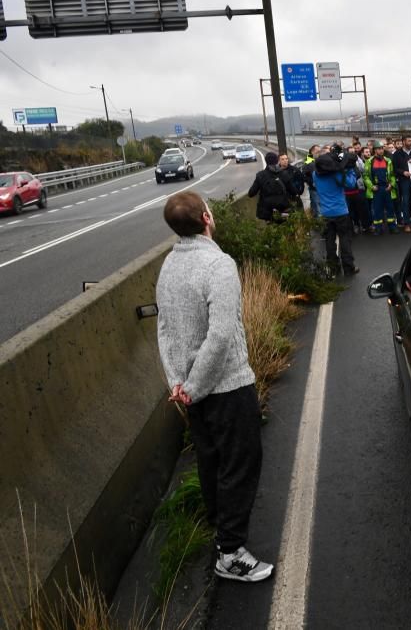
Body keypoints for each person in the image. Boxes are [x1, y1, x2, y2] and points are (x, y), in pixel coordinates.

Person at [156, 191, 272, 583]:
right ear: (207, 217)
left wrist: (180, 383)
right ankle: (231, 553)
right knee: (241, 464)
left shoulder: (169, 265)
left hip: (193, 391)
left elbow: (165, 329)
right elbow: (221, 335)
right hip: (225, 387)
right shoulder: (219, 265)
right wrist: (197, 386)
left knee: (212, 463)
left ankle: (221, 530)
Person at [313, 145, 360, 275]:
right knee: (345, 240)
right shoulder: (336, 173)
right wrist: (349, 170)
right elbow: (350, 183)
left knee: (329, 241)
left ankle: (333, 268)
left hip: (325, 213)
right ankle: (348, 268)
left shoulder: (315, 174)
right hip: (340, 211)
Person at [248, 152, 297, 222]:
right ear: (277, 160)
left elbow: (251, 193)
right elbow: (293, 191)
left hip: (267, 211)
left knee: (270, 228)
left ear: (266, 161)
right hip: (283, 208)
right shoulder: (284, 174)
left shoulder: (260, 175)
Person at [363, 141, 398, 234]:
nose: (381, 150)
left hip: (387, 188)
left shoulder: (388, 161)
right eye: (379, 149)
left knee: (390, 208)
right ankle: (378, 228)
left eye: (382, 148)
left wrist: (391, 184)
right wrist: (371, 186)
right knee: (377, 209)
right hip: (376, 189)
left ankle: (392, 227)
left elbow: (393, 175)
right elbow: (365, 176)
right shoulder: (369, 162)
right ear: (374, 150)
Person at [392, 136, 411, 232]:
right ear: (403, 142)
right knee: (406, 202)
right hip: (404, 180)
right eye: (409, 141)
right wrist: (403, 172)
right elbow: (395, 168)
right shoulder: (397, 154)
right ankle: (406, 224)